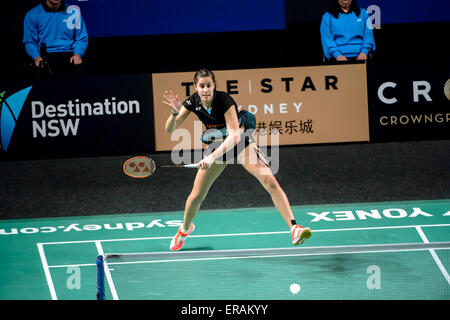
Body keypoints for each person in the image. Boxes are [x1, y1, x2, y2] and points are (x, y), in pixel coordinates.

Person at [162, 69, 312, 251]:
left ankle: (294, 228)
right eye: (201, 86)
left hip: (240, 143)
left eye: (209, 85)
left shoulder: (224, 100)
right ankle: (185, 229)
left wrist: (209, 157)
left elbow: (234, 136)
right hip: (217, 145)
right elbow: (170, 129)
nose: (205, 89)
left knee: (269, 180)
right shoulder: (193, 101)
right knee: (196, 197)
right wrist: (173, 113)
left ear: (214, 85)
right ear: (196, 87)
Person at [23, 0, 89, 77]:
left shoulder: (74, 12)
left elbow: (81, 38)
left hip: (69, 54)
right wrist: (36, 57)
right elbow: (29, 41)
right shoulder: (32, 14)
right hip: (44, 56)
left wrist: (77, 54)